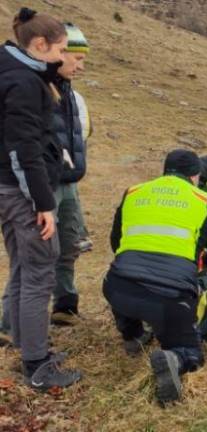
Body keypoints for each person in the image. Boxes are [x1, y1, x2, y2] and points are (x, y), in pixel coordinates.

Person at [103, 149, 207, 403]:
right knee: (192, 353)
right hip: (171, 297)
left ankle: (133, 334)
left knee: (125, 285)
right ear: (195, 176)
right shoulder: (203, 200)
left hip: (117, 287)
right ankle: (175, 357)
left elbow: (116, 242)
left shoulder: (134, 192)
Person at [0, 7, 81, 389]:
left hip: (8, 188)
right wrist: (43, 204)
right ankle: (36, 364)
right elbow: (23, 150)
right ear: (39, 44)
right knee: (38, 273)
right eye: (60, 50)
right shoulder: (23, 83)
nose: (63, 58)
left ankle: (24, 342)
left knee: (21, 266)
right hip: (20, 192)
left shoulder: (12, 71)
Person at [49, 22, 93, 325]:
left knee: (69, 245)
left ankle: (64, 305)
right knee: (37, 254)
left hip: (69, 184)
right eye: (76, 58)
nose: (81, 66)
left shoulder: (75, 98)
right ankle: (12, 324)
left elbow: (82, 136)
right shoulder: (36, 91)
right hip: (43, 185)